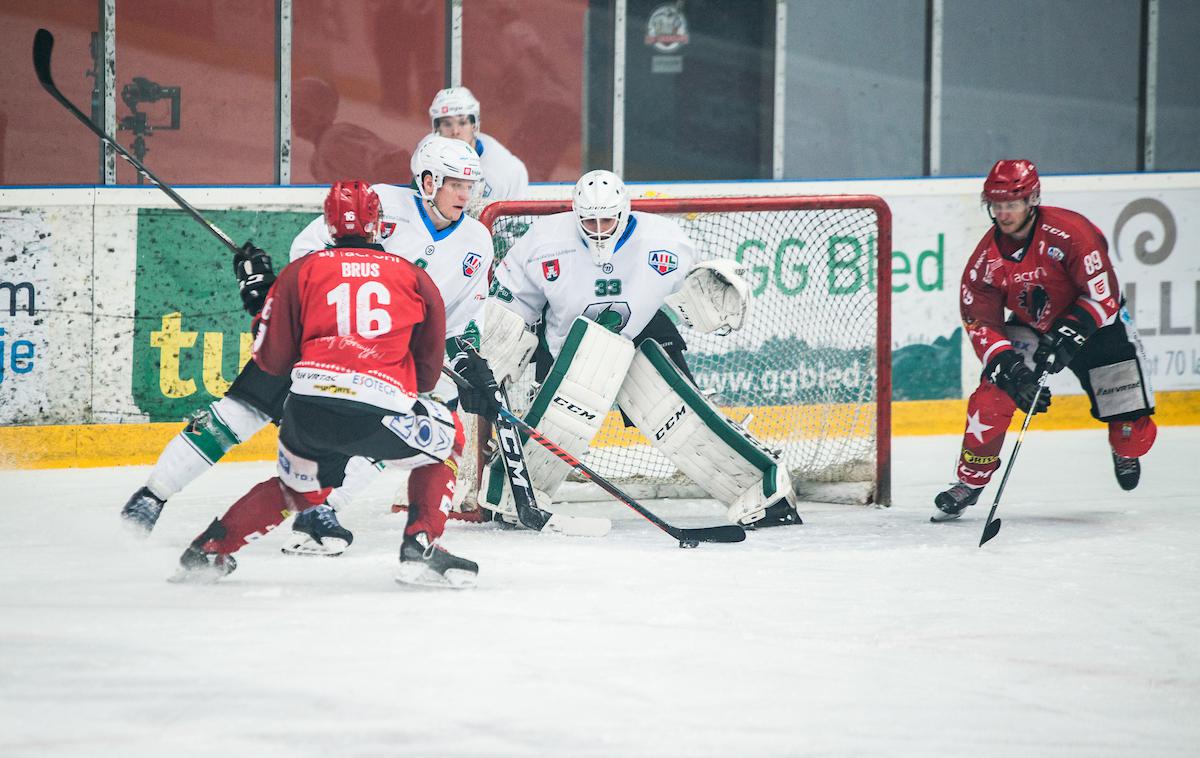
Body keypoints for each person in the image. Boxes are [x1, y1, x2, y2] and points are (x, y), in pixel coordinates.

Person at [120, 136, 495, 555]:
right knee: (237, 415)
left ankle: (319, 512)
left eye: (471, 184)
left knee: (363, 437)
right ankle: (153, 496)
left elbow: (463, 322)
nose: (465, 194)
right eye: (455, 184)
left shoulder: (478, 242)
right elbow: (309, 252)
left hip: (380, 359)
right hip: (319, 339)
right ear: (427, 181)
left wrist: (467, 359)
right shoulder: (381, 205)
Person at [476, 170, 802, 529]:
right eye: (589, 220)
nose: (599, 229)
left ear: (625, 210)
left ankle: (764, 493)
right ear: (575, 213)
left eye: (607, 219)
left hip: (646, 338)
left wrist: (711, 296)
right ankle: (511, 494)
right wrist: (500, 344)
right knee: (558, 427)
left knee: (686, 424)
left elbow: (696, 293)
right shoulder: (544, 241)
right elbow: (511, 303)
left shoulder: (666, 241)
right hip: (571, 349)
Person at [932, 159, 1157, 521]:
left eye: (1012, 204)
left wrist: (1067, 333)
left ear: (1031, 200)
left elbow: (1104, 297)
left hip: (1099, 329)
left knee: (1131, 430)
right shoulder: (984, 262)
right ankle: (969, 482)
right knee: (993, 396)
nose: (1004, 214)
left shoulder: (1072, 233)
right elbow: (981, 323)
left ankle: (1125, 449)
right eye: (997, 205)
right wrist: (1013, 371)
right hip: (1032, 327)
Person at [417, 86, 529, 212]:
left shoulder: (508, 169)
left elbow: (514, 224)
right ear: (437, 128)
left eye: (463, 122)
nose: (455, 131)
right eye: (447, 124)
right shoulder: (425, 155)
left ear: (474, 125)